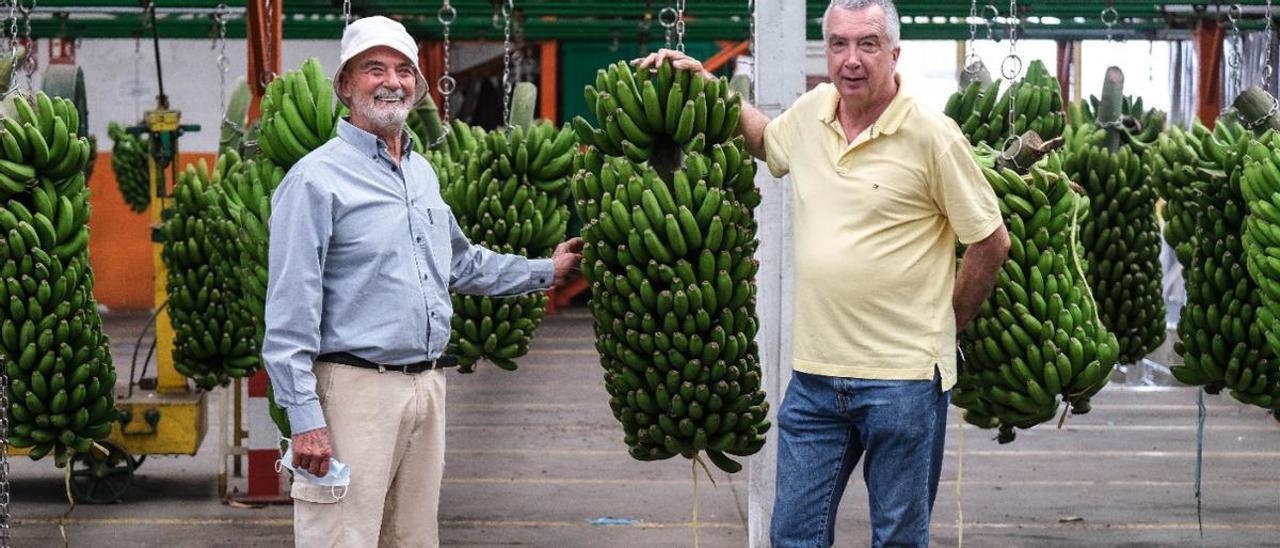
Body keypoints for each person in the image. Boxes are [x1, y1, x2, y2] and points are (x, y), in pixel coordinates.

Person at [638, 0, 1010, 545]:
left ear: (894, 53)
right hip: (815, 379)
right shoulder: (814, 111)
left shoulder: (933, 135)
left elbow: (990, 240)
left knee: (899, 538)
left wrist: (948, 323)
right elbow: (767, 140)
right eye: (839, 44)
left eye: (867, 44)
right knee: (793, 534)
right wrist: (704, 83)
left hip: (902, 380)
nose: (851, 60)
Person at [261, 16, 584, 548]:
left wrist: (546, 271)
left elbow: (459, 263)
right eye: (374, 69)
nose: (393, 81)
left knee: (412, 538)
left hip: (426, 388)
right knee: (341, 537)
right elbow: (290, 309)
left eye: (405, 70)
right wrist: (305, 419)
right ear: (345, 85)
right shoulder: (315, 180)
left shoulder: (421, 173)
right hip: (354, 390)